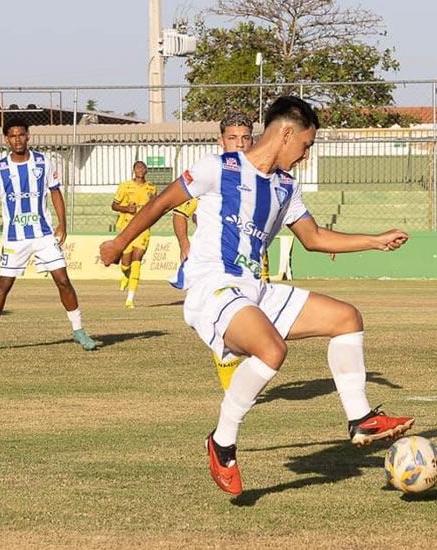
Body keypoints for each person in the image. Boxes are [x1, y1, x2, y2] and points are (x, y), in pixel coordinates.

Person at [100, 96, 414, 496]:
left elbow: (313, 238)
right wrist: (118, 243)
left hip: (254, 289)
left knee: (346, 318)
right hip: (213, 286)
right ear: (286, 133)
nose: (305, 155)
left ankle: (361, 419)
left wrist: (375, 241)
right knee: (271, 350)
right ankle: (222, 443)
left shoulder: (285, 187)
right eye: (305, 145)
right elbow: (162, 202)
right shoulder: (218, 168)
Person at [170, 112, 268, 390]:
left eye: (245, 138)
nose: (240, 143)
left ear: (253, 140)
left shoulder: (265, 175)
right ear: (220, 141)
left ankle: (236, 384)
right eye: (232, 138)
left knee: (255, 328)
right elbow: (179, 211)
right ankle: (232, 390)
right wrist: (184, 244)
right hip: (217, 268)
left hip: (252, 262)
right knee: (236, 327)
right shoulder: (211, 174)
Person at [0, 117, 96, 352]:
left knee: (63, 280)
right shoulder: (0, 168)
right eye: (12, 136)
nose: (18, 139)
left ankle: (78, 331)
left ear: (28, 136)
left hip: (43, 235)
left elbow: (55, 193)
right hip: (15, 237)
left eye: (21, 134)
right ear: (6, 139)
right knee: (4, 285)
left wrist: (62, 224)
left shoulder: (43, 163)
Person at [111, 160, 157, 308]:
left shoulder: (152, 188)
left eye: (143, 167)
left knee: (137, 259)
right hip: (127, 228)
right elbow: (114, 205)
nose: (140, 169)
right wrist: (126, 209)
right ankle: (125, 274)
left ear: (146, 170)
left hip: (143, 229)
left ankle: (130, 299)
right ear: (133, 170)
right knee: (126, 263)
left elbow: (155, 206)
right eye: (138, 167)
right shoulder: (125, 186)